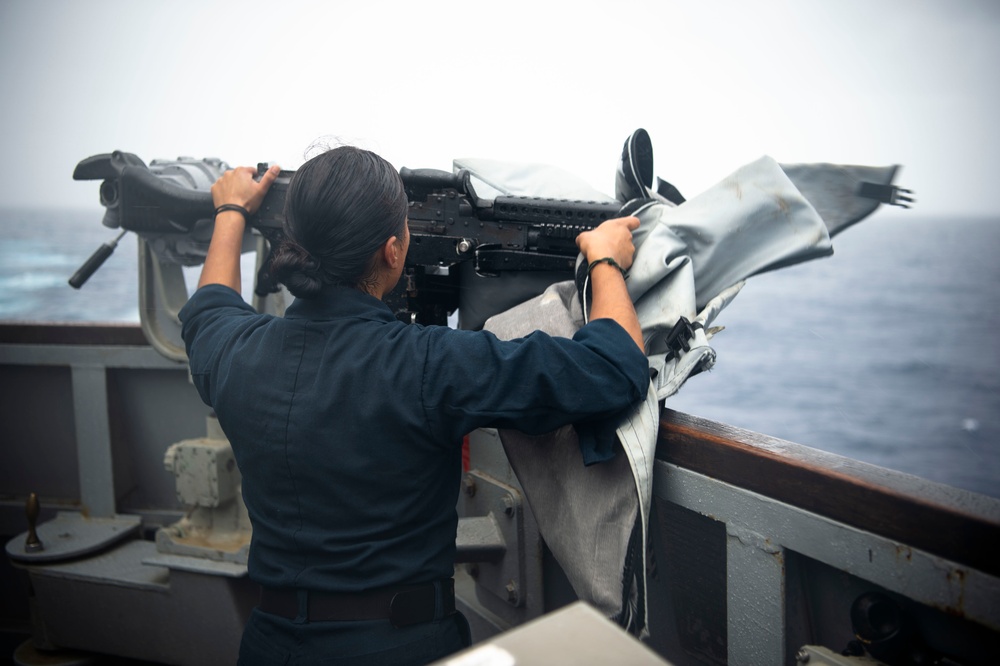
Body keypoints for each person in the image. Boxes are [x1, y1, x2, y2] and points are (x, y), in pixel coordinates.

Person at [178, 145, 649, 666]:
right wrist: (604, 258)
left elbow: (207, 311)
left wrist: (230, 211)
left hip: (269, 645)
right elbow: (615, 369)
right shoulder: (428, 367)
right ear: (393, 252)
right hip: (399, 648)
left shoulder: (238, 356)